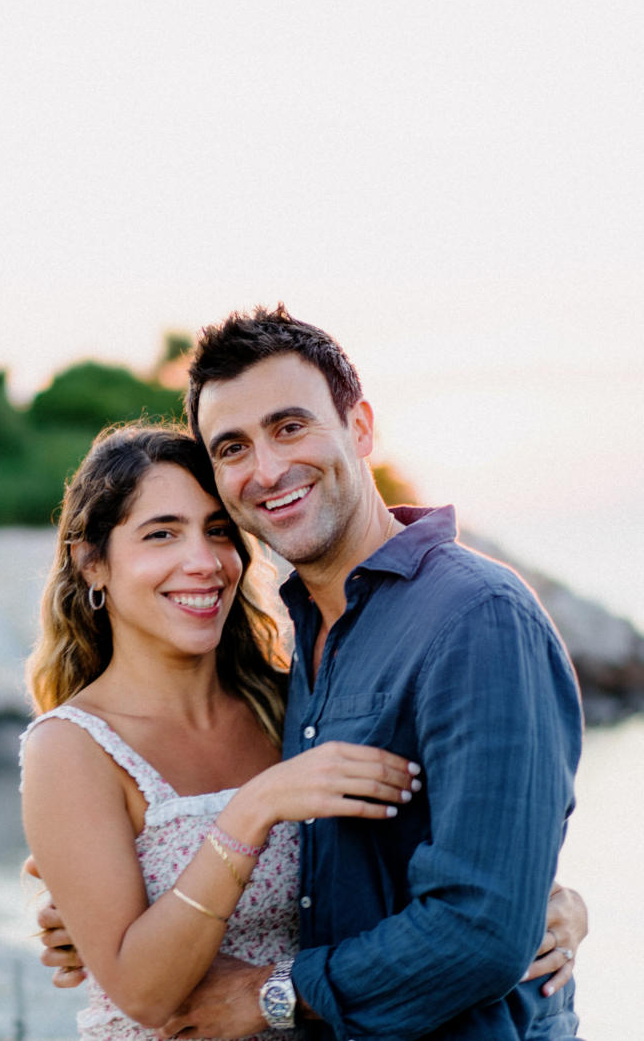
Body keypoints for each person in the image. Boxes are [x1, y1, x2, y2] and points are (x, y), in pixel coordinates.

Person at [35, 306, 584, 1039]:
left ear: (359, 427)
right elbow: (339, 870)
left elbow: (484, 918)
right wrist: (87, 910)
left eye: (289, 426)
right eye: (232, 446)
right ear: (93, 561)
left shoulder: (473, 613)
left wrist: (274, 994)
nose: (266, 469)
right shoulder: (296, 661)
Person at [21, 423, 421, 1038]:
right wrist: (253, 807)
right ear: (92, 563)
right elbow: (144, 995)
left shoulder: (298, 702)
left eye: (218, 532)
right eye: (162, 535)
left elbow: (429, 851)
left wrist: (551, 906)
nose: (203, 563)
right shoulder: (72, 747)